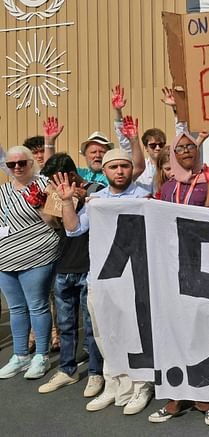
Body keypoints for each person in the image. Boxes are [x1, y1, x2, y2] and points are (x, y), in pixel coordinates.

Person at [58, 148, 154, 416]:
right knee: (105, 333)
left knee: (137, 334)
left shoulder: (143, 196)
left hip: (136, 280)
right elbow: (73, 229)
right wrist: (67, 202)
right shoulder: (96, 199)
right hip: (101, 279)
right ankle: (114, 383)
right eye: (114, 167)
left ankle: (141, 385)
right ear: (106, 171)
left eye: (124, 166)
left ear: (131, 169)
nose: (120, 171)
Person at [147, 134, 209, 426]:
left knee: (203, 331)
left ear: (197, 150)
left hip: (203, 265)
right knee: (173, 330)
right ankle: (176, 395)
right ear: (173, 156)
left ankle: (208, 398)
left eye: (190, 147)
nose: (185, 152)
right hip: (171, 266)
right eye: (179, 148)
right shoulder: (167, 186)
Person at [36, 154, 105, 399]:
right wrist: (44, 202)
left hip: (89, 266)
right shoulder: (56, 193)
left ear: (71, 174)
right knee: (65, 325)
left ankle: (96, 372)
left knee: (91, 326)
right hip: (63, 266)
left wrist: (85, 197)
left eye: (56, 180)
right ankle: (67, 369)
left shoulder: (98, 190)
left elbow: (99, 217)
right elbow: (53, 225)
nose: (55, 186)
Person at [0, 146, 61, 380]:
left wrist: (40, 204)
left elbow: (56, 223)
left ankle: (42, 356)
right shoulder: (3, 190)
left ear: (31, 163)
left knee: (37, 305)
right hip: (5, 257)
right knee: (16, 309)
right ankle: (20, 355)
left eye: (22, 163)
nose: (17, 168)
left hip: (37, 254)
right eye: (11, 164)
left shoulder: (45, 185)